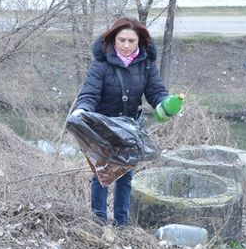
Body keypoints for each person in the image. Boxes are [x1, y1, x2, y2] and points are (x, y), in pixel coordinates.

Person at [73, 17, 175, 227]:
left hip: (130, 129)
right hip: (104, 128)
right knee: (102, 176)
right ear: (113, 39)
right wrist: (82, 110)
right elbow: (89, 94)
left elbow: (155, 92)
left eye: (131, 41)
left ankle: (121, 223)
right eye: (122, 40)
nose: (126, 45)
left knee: (125, 176)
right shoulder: (101, 65)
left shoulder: (146, 65)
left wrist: (165, 104)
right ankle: (98, 221)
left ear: (140, 41)